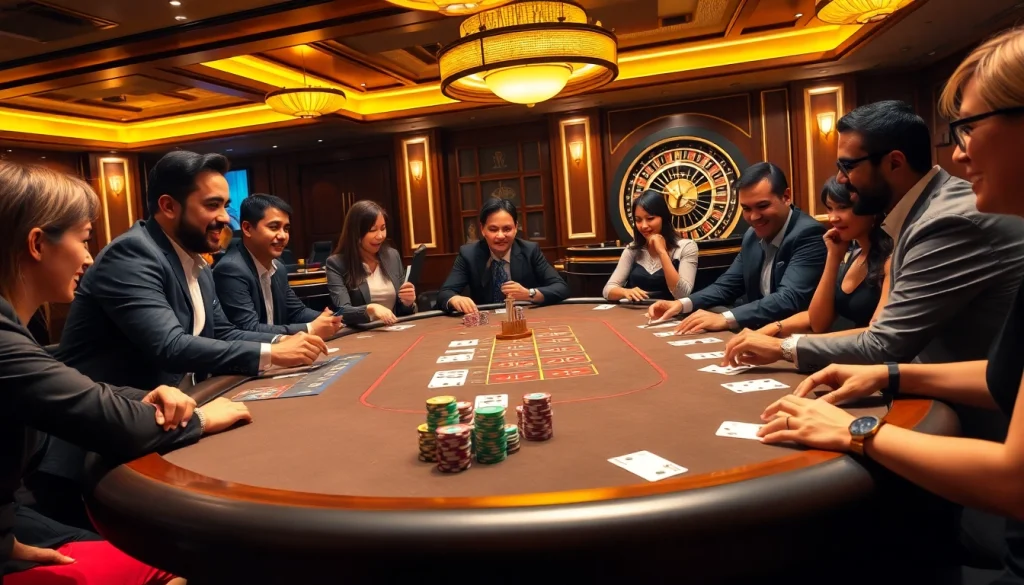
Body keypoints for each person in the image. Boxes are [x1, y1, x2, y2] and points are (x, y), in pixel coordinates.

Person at [754, 27, 1024, 584]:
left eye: (970, 127)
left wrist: (855, 430)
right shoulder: (919, 216)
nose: (960, 149)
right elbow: (1008, 376)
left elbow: (1013, 482)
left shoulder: (948, 218)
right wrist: (889, 374)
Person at [38, 151, 326, 530]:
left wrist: (287, 342)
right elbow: (169, 346)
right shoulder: (132, 254)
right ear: (168, 206)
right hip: (91, 454)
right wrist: (269, 353)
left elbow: (223, 332)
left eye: (225, 205)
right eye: (212, 205)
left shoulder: (197, 261)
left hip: (159, 426)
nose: (225, 217)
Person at [0, 161, 251, 584]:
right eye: (83, 239)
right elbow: (94, 406)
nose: (88, 256)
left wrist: (144, 397)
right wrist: (204, 417)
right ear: (38, 244)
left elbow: (80, 389)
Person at [720, 101, 1024, 377]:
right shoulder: (923, 211)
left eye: (848, 166)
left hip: (980, 418)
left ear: (894, 162)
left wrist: (783, 348)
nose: (840, 179)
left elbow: (884, 344)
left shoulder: (944, 221)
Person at [644, 162, 827, 333]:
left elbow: (788, 298)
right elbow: (726, 286)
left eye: (762, 206)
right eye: (746, 209)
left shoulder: (808, 234)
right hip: (758, 332)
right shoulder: (751, 235)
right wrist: (681, 304)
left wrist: (725, 318)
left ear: (786, 197)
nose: (754, 217)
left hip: (795, 336)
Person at [757, 178, 892, 337]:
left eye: (843, 207)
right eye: (830, 208)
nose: (833, 218)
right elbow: (818, 322)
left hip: (883, 359)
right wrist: (833, 257)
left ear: (871, 208)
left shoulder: (891, 259)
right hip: (852, 356)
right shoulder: (853, 255)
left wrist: (789, 346)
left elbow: (879, 334)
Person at [213, 194, 342, 337]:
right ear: (247, 228)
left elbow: (297, 312)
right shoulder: (231, 269)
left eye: (286, 229)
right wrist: (310, 328)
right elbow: (247, 329)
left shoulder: (278, 267)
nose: (283, 236)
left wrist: (329, 318)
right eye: (274, 227)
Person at [437, 198, 570, 314]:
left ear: (516, 227)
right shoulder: (469, 254)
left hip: (524, 320)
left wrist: (528, 294)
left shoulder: (530, 251)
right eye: (493, 229)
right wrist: (455, 299)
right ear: (483, 229)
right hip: (485, 323)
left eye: (507, 229)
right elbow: (445, 293)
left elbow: (561, 288)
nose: (500, 236)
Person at [325, 200, 417, 326]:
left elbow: (401, 310)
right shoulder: (336, 264)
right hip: (358, 335)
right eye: (373, 230)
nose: (380, 236)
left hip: (394, 331)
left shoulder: (392, 256)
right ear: (356, 233)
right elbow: (342, 311)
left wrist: (408, 302)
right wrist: (370, 309)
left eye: (383, 228)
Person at [602, 190, 699, 302]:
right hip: (634, 313)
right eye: (638, 220)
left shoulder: (686, 247)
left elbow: (682, 294)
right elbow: (607, 290)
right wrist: (625, 292)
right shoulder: (632, 249)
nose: (643, 226)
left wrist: (662, 252)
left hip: (670, 314)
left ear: (664, 217)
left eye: (650, 219)